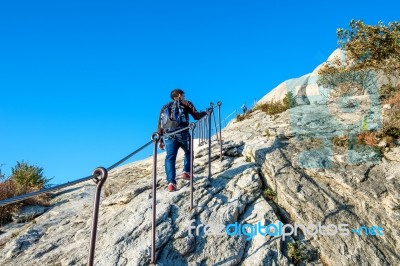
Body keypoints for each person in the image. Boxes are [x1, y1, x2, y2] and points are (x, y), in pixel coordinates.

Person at [157, 89, 207, 192]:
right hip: (182, 132)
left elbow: (160, 123)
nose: (184, 96)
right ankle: (186, 172)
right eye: (183, 95)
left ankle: (171, 183)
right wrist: (206, 113)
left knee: (170, 157)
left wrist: (159, 139)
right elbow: (196, 116)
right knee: (189, 152)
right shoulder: (185, 103)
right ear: (180, 95)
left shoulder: (165, 107)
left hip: (168, 134)